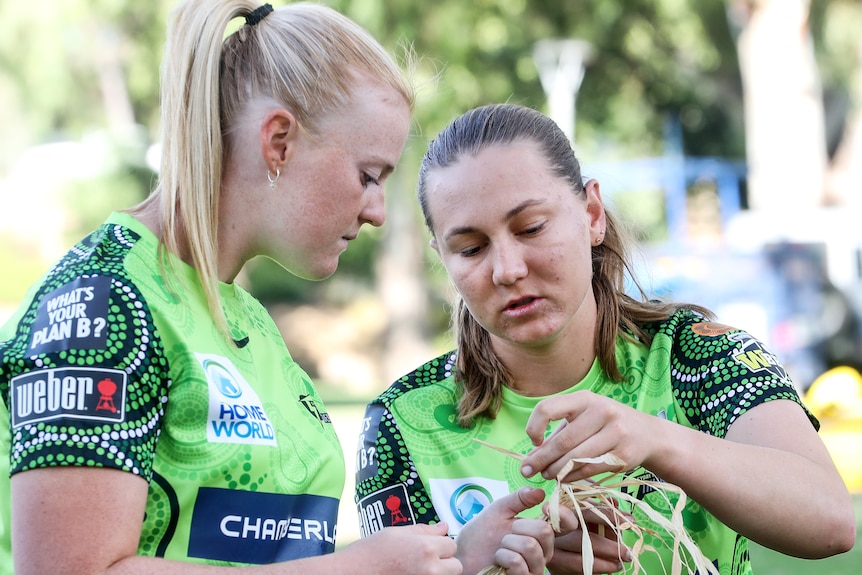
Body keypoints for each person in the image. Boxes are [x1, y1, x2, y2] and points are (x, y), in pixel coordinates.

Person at [0, 3, 553, 574]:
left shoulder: (246, 319)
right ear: (280, 141)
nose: (377, 212)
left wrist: (455, 559)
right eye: (368, 176)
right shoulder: (102, 303)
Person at [354, 103, 857, 574]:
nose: (507, 269)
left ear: (591, 214)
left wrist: (655, 439)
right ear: (441, 255)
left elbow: (831, 521)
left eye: (530, 228)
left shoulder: (698, 356)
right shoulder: (403, 421)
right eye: (470, 248)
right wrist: (474, 564)